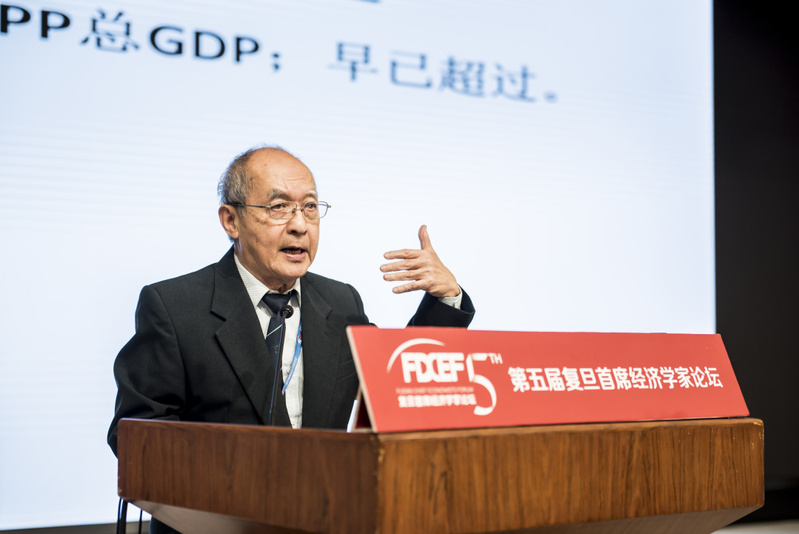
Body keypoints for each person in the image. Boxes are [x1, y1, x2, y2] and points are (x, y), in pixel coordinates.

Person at [108, 146, 474, 465]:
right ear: (231, 221)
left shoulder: (339, 302)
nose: (300, 225)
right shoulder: (174, 307)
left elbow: (397, 383)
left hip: (320, 510)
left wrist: (445, 299)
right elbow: (136, 436)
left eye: (310, 207)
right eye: (279, 207)